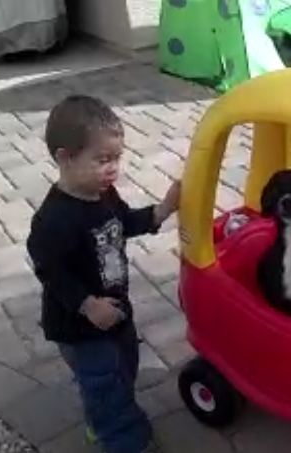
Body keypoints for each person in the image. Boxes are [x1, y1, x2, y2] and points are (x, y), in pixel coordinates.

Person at [27, 95, 180, 453]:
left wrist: (163, 210)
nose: (113, 168)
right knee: (105, 382)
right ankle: (123, 441)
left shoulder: (104, 193)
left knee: (123, 370)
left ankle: (102, 418)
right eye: (102, 159)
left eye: (117, 158)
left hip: (116, 312)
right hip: (81, 327)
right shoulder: (55, 219)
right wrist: (86, 304)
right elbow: (48, 269)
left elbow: (123, 222)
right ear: (64, 158)